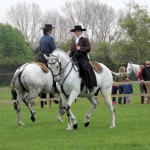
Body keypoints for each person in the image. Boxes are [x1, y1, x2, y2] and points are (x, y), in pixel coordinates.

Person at [68, 25, 97, 93]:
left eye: (78, 31)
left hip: (82, 57)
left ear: (81, 32)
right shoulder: (74, 41)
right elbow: (72, 51)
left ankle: (90, 86)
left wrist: (80, 48)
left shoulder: (84, 39)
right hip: (74, 58)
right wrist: (69, 52)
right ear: (74, 33)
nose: (77, 32)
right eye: (76, 31)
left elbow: (88, 48)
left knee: (84, 68)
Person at [37, 24, 58, 108]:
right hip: (48, 58)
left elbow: (40, 49)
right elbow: (54, 49)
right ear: (49, 31)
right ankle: (55, 91)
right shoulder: (50, 38)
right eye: (51, 29)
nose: (52, 31)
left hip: (40, 57)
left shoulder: (41, 38)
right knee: (56, 72)